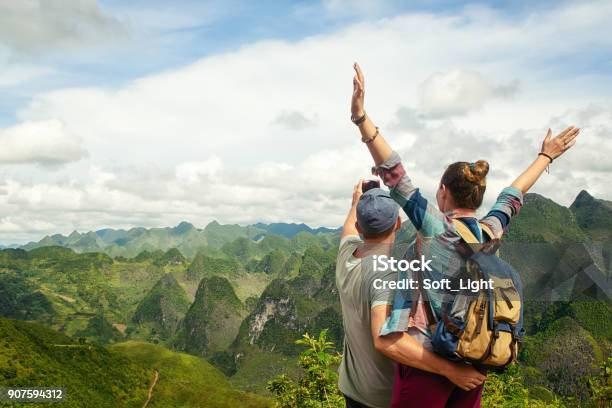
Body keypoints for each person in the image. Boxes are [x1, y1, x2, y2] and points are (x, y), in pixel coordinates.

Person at [349, 62, 579, 408]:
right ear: (477, 197)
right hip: (474, 360)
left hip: (428, 363)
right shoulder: (491, 232)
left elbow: (394, 174)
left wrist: (361, 119)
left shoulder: (435, 230)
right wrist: (545, 155)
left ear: (443, 193)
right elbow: (513, 195)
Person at [337, 180, 488, 408]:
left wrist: (357, 200)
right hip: (382, 397)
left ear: (359, 228)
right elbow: (384, 340)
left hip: (351, 388)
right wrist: (450, 370)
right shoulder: (387, 275)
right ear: (398, 223)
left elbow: (349, 225)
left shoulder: (346, 254)